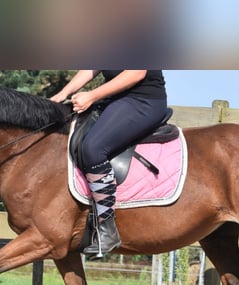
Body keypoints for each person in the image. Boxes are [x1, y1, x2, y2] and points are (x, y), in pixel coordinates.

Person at [50, 70, 168, 258]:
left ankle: (107, 228)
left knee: (93, 148)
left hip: (143, 101)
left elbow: (136, 73)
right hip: (114, 100)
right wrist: (63, 94)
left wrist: (91, 95)